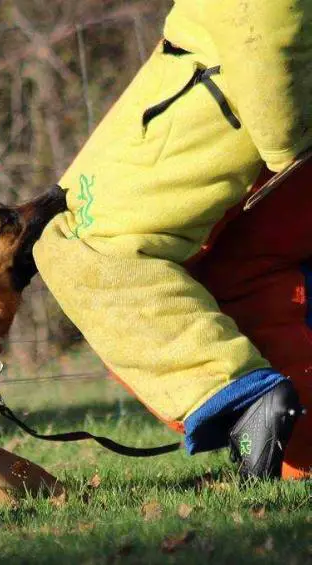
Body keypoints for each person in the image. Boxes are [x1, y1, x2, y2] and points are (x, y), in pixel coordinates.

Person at [33, 0, 311, 479]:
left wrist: (287, 149)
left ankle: (240, 396)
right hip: (214, 87)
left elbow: (265, 25)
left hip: (232, 103)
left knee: (86, 249)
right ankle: (296, 449)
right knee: (235, 276)